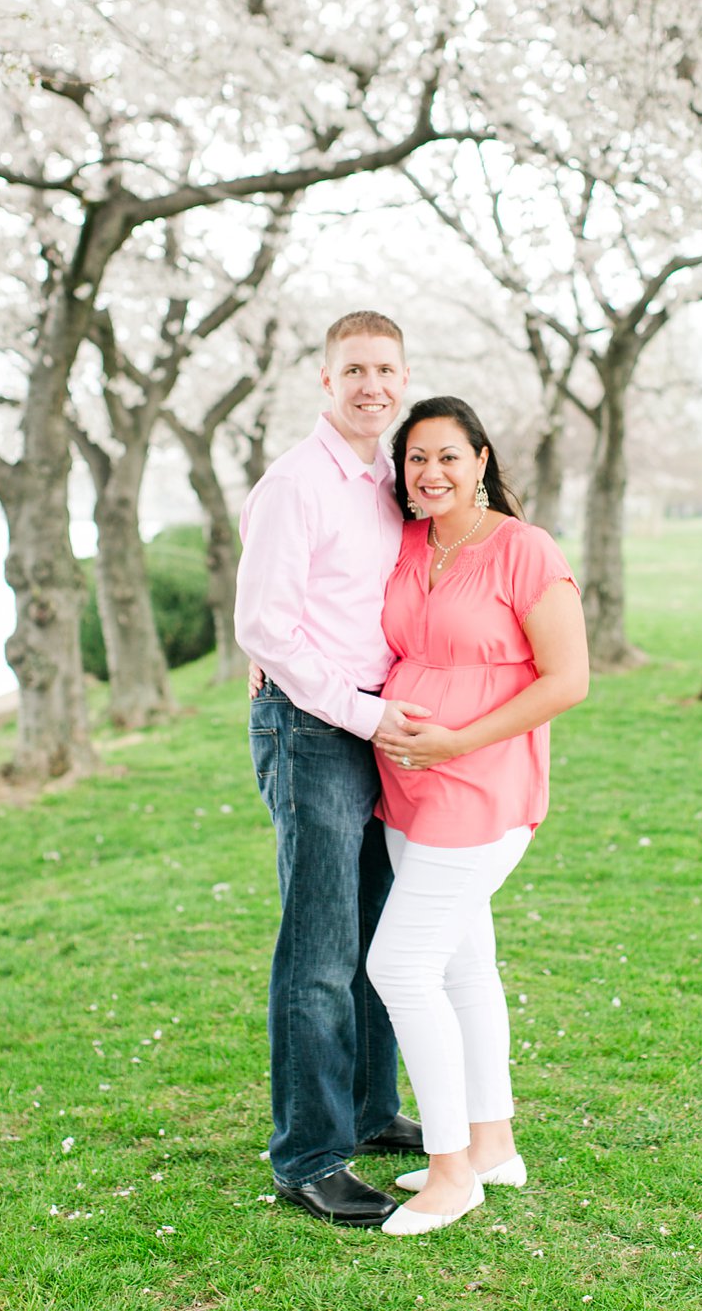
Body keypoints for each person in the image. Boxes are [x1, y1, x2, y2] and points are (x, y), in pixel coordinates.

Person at [364, 395, 588, 1236]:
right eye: (416, 459)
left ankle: (453, 1172)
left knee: (401, 965)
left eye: (448, 457)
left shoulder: (524, 551)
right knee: (462, 963)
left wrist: (457, 742)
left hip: (483, 785)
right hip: (407, 786)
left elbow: (568, 681)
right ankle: (493, 1143)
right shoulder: (407, 541)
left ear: (482, 460)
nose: (430, 474)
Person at [237, 310, 432, 1227]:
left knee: (378, 935)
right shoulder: (295, 485)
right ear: (326, 380)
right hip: (313, 729)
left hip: (375, 728)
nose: (372, 386)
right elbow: (266, 628)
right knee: (318, 951)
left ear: (403, 377)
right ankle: (308, 1155)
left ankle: (366, 1107)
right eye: (353, 369)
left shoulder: (392, 481)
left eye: (385, 370)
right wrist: (362, 712)